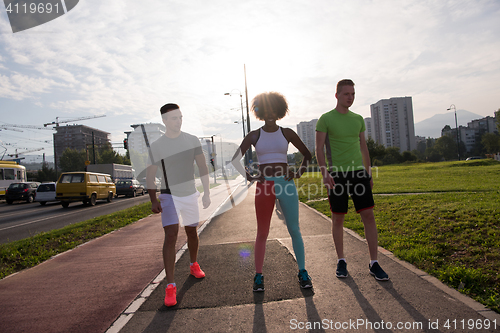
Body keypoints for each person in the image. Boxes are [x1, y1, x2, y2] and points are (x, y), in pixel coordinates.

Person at [232, 91, 313, 291]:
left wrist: (298, 172)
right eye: (265, 110)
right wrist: (250, 176)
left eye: (273, 110)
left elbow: (307, 154)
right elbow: (235, 159)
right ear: (259, 112)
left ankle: (302, 272)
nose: (269, 113)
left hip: (286, 184)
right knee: (262, 232)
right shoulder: (254, 135)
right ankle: (258, 276)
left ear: (279, 111)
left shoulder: (287, 133)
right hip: (265, 186)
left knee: (294, 229)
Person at [315, 79, 389, 281]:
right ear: (337, 95)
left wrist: (368, 173)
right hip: (337, 174)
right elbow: (319, 148)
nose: (350, 97)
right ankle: (341, 260)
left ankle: (374, 263)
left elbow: (364, 148)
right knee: (338, 218)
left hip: (359, 174)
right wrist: (324, 173)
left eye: (353, 94)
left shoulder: (358, 119)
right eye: (347, 94)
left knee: (369, 216)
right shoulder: (326, 119)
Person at [146, 103, 211, 307]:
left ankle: (193, 264)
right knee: (171, 235)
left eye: (180, 117)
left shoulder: (191, 140)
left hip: (190, 193)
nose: (178, 121)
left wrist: (207, 192)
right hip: (168, 195)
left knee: (192, 232)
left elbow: (202, 166)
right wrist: (153, 199)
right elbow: (150, 173)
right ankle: (170, 286)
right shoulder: (157, 145)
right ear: (164, 120)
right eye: (174, 118)